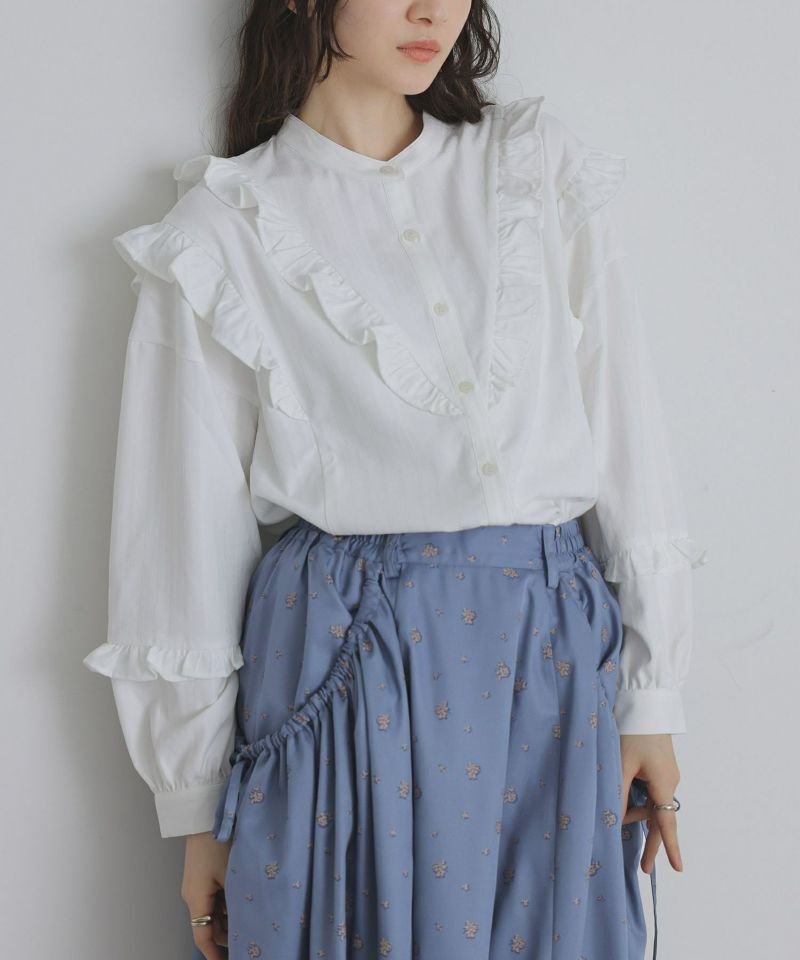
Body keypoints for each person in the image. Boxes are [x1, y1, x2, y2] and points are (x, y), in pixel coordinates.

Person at [82, 2, 708, 958]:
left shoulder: (533, 168)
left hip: (552, 658)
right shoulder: (223, 230)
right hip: (348, 670)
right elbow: (181, 537)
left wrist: (652, 700)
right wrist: (196, 805)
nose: (431, 10)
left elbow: (628, 432)